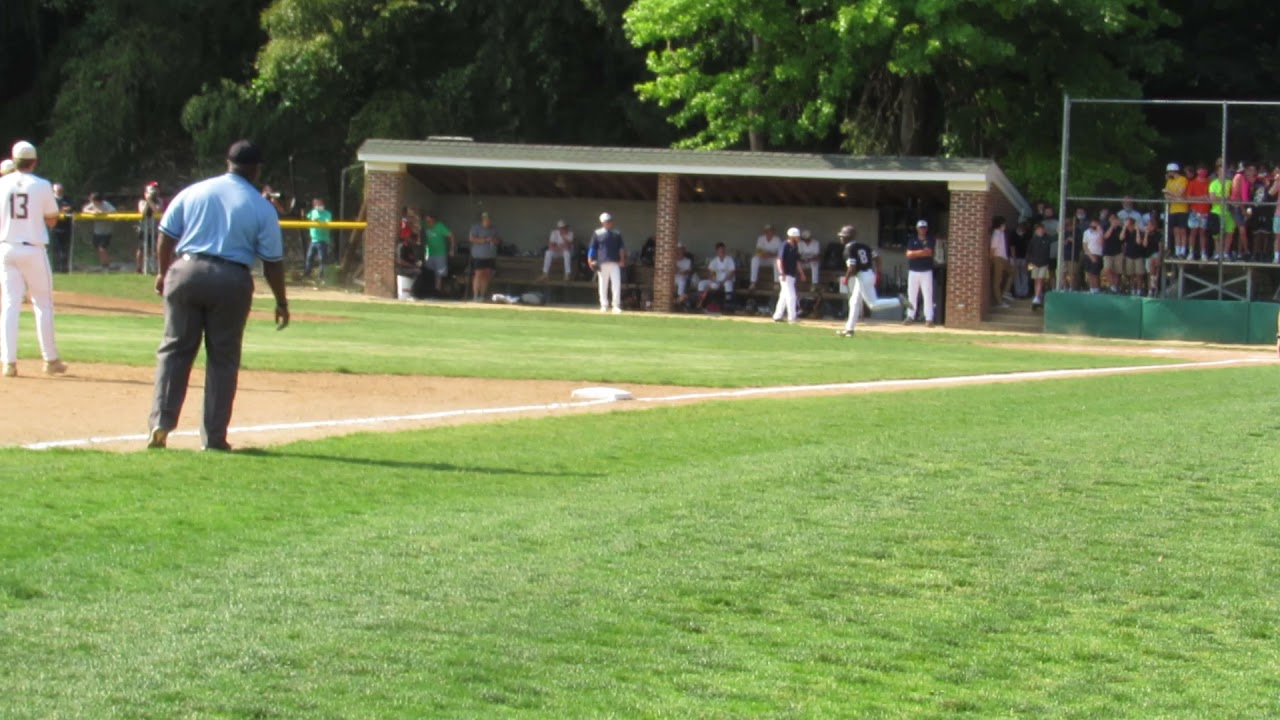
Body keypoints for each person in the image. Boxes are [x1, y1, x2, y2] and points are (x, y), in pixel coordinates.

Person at [146, 139, 289, 452]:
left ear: (228, 163)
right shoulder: (260, 206)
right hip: (230, 278)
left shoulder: (195, 191)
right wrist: (281, 300)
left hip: (186, 269)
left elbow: (166, 235)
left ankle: (161, 422)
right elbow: (272, 263)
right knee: (222, 359)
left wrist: (162, 271)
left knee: (174, 350)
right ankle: (213, 438)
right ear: (256, 169)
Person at [0, 141, 67, 378]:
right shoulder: (41, 185)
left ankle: (8, 362)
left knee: (9, 304)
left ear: (14, 160)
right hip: (33, 248)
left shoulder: (2, 183)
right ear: (34, 161)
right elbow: (52, 218)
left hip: (6, 248)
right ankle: (50, 360)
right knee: (43, 303)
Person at [836, 225, 901, 337]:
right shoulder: (864, 246)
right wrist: (878, 273)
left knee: (873, 304)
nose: (841, 238)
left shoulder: (848, 249)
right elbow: (878, 258)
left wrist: (846, 279)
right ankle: (849, 329)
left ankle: (899, 301)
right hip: (868, 274)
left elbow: (852, 267)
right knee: (854, 302)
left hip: (862, 276)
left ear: (848, 237)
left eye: (843, 236)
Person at [588, 212, 626, 313]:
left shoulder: (617, 233)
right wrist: (590, 259)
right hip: (602, 262)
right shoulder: (597, 233)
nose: (609, 223)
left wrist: (622, 259)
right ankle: (604, 305)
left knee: (616, 284)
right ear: (602, 222)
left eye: (610, 221)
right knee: (603, 284)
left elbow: (621, 248)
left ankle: (616, 305)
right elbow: (593, 247)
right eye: (606, 221)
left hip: (615, 262)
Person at [903, 219, 937, 325]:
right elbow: (908, 254)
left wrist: (915, 253)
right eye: (920, 227)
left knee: (927, 294)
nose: (922, 229)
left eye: (924, 227)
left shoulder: (930, 240)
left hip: (926, 271)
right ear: (917, 229)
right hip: (913, 271)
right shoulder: (912, 240)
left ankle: (929, 318)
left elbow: (929, 252)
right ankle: (910, 316)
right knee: (911, 294)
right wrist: (921, 252)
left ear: (926, 229)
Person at [771, 227, 806, 323]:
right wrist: (782, 272)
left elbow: (797, 262)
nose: (798, 238)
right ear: (792, 237)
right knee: (791, 296)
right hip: (785, 274)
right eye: (797, 237)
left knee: (783, 296)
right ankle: (792, 317)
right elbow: (779, 260)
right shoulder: (785, 245)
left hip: (792, 274)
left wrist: (801, 273)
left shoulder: (795, 246)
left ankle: (777, 316)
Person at [420, 210, 454, 296]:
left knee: (439, 274)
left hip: (440, 254)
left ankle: (437, 291)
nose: (427, 222)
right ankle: (429, 290)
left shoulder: (440, 226)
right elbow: (416, 221)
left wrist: (452, 249)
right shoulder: (425, 225)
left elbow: (451, 236)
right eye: (426, 220)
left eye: (429, 220)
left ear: (433, 219)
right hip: (430, 253)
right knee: (429, 272)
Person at [468, 211, 499, 301]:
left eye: (489, 219)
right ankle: (475, 296)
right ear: (483, 219)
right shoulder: (475, 227)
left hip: (490, 256)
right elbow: (472, 239)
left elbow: (498, 240)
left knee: (486, 275)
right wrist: (486, 240)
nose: (488, 221)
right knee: (478, 275)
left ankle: (482, 295)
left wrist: (494, 240)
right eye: (486, 219)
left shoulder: (494, 228)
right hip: (479, 256)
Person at [82, 191, 116, 270]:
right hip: (97, 231)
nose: (92, 202)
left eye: (94, 200)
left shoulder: (105, 204)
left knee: (102, 248)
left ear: (98, 200)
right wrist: (92, 212)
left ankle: (107, 264)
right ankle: (104, 264)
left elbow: (113, 211)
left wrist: (103, 213)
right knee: (98, 248)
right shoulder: (92, 204)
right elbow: (84, 209)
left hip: (106, 231)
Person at [697, 242, 736, 309]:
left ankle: (728, 304)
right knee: (701, 283)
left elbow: (732, 273)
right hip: (716, 281)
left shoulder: (729, 259)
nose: (722, 252)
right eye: (720, 250)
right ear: (717, 251)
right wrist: (714, 280)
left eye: (723, 250)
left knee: (728, 284)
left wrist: (723, 282)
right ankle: (701, 302)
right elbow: (712, 274)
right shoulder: (714, 261)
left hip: (726, 280)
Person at [136, 181, 164, 274]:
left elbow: (157, 210)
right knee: (141, 249)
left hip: (154, 228)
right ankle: (139, 268)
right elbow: (142, 212)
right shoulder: (141, 202)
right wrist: (147, 200)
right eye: (152, 190)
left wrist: (151, 201)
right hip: (144, 228)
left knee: (156, 248)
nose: (155, 192)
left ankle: (156, 267)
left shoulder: (159, 200)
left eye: (156, 189)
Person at [1163, 162, 1189, 259]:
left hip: (1182, 209)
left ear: (1172, 171)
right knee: (1176, 231)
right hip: (1173, 209)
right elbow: (1166, 196)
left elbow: (1180, 193)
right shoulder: (1169, 181)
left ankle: (1183, 251)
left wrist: (1170, 193)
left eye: (1169, 172)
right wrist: (1175, 196)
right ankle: (1177, 251)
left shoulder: (1183, 179)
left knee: (1183, 231)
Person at [303, 197, 333, 280]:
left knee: (322, 259)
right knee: (309, 257)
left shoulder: (327, 214)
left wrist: (318, 221)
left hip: (323, 240)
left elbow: (328, 223)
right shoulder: (312, 212)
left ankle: (321, 276)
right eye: (316, 204)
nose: (319, 205)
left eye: (320, 204)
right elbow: (306, 218)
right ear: (314, 205)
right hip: (313, 240)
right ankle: (307, 274)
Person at [1026, 222, 1053, 310]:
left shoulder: (1047, 239)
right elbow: (1029, 253)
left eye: (1042, 229)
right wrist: (1029, 265)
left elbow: (1056, 237)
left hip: (1044, 263)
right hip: (1034, 263)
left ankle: (1037, 297)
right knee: (1036, 280)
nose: (1041, 231)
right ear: (1036, 231)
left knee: (1041, 279)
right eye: (1039, 230)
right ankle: (1037, 297)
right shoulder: (1033, 240)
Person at [1185, 167, 1211, 260]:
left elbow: (1210, 197)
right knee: (1193, 232)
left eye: (1204, 170)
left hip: (1205, 211)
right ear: (1197, 171)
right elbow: (1188, 198)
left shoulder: (1209, 182)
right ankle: (1191, 253)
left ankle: (1203, 253)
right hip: (1194, 211)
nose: (1202, 171)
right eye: (1200, 169)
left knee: (1202, 233)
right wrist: (1201, 198)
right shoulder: (1192, 183)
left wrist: (1205, 198)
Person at [747, 224, 780, 290]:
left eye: (770, 230)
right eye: (767, 231)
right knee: (754, 259)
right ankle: (753, 283)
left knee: (777, 260)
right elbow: (758, 251)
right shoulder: (761, 238)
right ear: (765, 232)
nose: (769, 232)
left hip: (772, 259)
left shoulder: (777, 239)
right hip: (763, 259)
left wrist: (769, 254)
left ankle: (776, 283)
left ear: (773, 231)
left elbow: (778, 253)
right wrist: (764, 254)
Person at [50, 182, 73, 273]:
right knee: (55, 249)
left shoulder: (67, 199)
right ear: (53, 190)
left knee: (65, 249)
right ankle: (55, 268)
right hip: (54, 227)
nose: (60, 192)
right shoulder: (51, 200)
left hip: (67, 227)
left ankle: (64, 268)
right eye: (57, 190)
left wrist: (67, 208)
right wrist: (60, 210)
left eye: (61, 190)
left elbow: (72, 207)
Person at [990, 216, 1012, 307]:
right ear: (999, 224)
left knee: (1013, 272)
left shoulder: (1002, 233)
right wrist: (992, 259)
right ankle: (999, 302)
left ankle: (1005, 292)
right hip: (998, 258)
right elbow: (992, 248)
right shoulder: (996, 234)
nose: (1005, 225)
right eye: (1003, 223)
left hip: (1004, 258)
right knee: (997, 280)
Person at [1119, 216, 1144, 295]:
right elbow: (1121, 238)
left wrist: (1136, 230)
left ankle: (1139, 290)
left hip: (1138, 256)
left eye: (1128, 224)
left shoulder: (1139, 232)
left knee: (1139, 275)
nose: (1127, 226)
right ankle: (1133, 290)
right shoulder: (1125, 232)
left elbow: (1139, 242)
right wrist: (1124, 228)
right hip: (1129, 256)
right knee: (1131, 275)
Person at [1101, 213, 1123, 292]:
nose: (1113, 220)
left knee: (1117, 271)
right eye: (1112, 218)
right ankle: (1112, 285)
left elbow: (1121, 238)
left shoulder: (1120, 228)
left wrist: (1118, 226)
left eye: (1115, 218)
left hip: (1118, 252)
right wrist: (1111, 227)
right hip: (1107, 252)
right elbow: (1105, 236)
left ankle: (1115, 288)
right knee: (1107, 269)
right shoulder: (1105, 227)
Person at [1082, 217, 1104, 293]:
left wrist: (1100, 232)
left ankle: (1097, 289)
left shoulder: (1101, 232)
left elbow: (1102, 243)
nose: (1093, 226)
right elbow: (1085, 245)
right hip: (1088, 254)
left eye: (1095, 225)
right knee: (1089, 273)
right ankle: (1092, 289)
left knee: (1096, 273)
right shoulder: (1086, 232)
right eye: (1092, 225)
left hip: (1097, 254)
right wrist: (1090, 255)